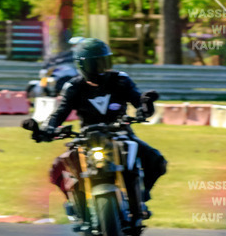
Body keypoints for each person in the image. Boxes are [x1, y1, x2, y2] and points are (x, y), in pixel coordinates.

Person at [36, 38, 167, 202]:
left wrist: (145, 106)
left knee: (157, 161)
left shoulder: (121, 80)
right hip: (86, 138)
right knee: (56, 169)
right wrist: (47, 128)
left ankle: (141, 195)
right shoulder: (73, 87)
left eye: (105, 62)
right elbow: (59, 113)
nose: (102, 69)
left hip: (121, 133)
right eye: (96, 64)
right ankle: (75, 203)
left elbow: (139, 101)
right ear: (83, 66)